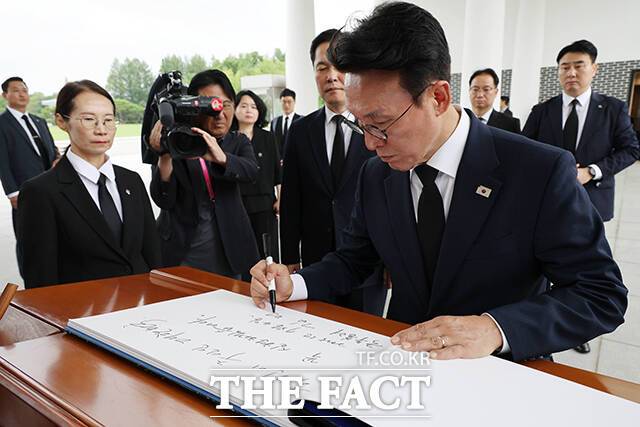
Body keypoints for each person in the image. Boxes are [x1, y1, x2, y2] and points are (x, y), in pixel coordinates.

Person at [251, 2, 627, 362]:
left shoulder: (538, 171)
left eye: (380, 125)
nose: (369, 144)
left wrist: (496, 329)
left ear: (439, 97)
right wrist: (294, 284)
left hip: (500, 371)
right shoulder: (376, 174)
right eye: (360, 125)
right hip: (403, 363)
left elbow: (600, 294)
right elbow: (354, 260)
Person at [522, 39, 639, 354]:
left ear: (594, 69)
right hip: (544, 203)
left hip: (591, 200)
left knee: (582, 267)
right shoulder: (543, 110)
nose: (571, 73)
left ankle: (577, 330)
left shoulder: (612, 109)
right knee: (542, 262)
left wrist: (593, 171)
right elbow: (523, 149)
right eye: (564, 67)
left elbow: (631, 149)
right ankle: (539, 323)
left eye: (578, 66)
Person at [279, 29, 385, 314]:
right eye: (321, 67)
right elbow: (291, 199)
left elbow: (392, 196)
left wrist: (392, 259)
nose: (331, 76)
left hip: (369, 263)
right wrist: (289, 256)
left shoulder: (379, 127)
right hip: (316, 263)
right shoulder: (300, 131)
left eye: (339, 66)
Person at [17, 80, 161, 288]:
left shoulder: (132, 181)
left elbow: (152, 254)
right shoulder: (40, 192)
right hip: (82, 306)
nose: (101, 130)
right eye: (89, 119)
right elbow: (41, 278)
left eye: (108, 120)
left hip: (142, 303)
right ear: (61, 121)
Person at [148, 70, 260, 279]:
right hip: (183, 251)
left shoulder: (237, 141)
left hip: (230, 249)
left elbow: (251, 171)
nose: (219, 114)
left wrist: (222, 158)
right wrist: (164, 156)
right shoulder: (178, 140)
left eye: (226, 105)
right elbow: (163, 198)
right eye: (209, 105)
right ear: (192, 107)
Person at [0, 76, 60, 276]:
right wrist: (12, 192)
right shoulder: (2, 124)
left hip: (51, 187)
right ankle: (30, 280)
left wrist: (57, 159)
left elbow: (51, 149)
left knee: (52, 234)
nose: (22, 94)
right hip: (24, 190)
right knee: (28, 239)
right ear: (5, 95)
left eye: (24, 90)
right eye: (16, 90)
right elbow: (2, 161)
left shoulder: (38, 121)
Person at [233, 90, 281, 279]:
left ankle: (270, 286)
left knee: (267, 253)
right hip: (237, 203)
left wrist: (280, 199)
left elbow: (278, 173)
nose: (249, 110)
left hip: (265, 204)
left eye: (253, 107)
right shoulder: (229, 138)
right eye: (243, 106)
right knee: (243, 252)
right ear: (234, 109)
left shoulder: (268, 137)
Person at [468, 69, 520, 133]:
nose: (480, 95)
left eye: (486, 89)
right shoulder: (461, 120)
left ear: (495, 92)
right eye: (475, 89)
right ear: (469, 91)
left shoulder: (511, 124)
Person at [270, 88, 302, 158]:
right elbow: (272, 144)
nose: (286, 105)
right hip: (278, 161)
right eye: (284, 102)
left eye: (289, 102)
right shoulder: (274, 122)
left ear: (294, 102)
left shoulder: (302, 120)